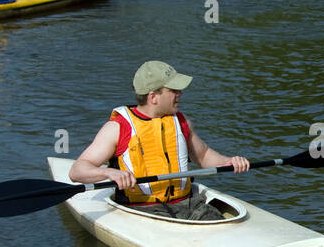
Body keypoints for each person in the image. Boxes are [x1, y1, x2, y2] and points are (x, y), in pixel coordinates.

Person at [69, 61, 251, 220]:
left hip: (190, 205)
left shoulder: (181, 121)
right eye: (173, 90)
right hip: (142, 209)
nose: (180, 93)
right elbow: (77, 171)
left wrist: (229, 162)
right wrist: (110, 173)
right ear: (153, 97)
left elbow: (203, 155)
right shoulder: (117, 128)